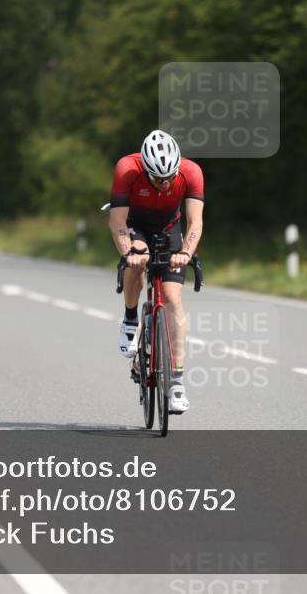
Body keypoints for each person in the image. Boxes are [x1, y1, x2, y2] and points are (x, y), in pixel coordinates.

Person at [108, 130, 204, 414]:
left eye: (168, 177)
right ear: (146, 169)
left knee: (174, 299)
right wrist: (128, 253)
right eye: (156, 178)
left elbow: (195, 221)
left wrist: (185, 253)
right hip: (135, 224)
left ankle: (176, 383)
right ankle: (129, 320)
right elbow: (117, 221)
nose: (163, 184)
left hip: (169, 227)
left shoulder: (191, 172)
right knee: (138, 260)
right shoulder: (127, 169)